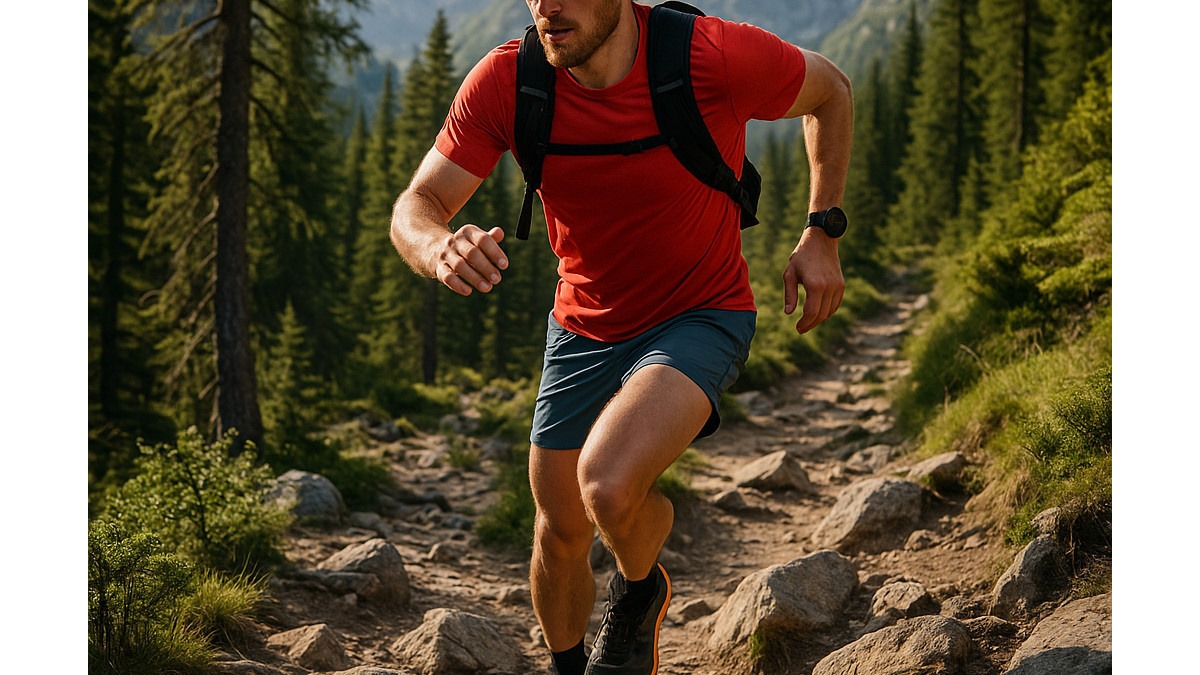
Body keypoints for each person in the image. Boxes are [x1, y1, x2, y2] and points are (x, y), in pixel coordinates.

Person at [389, 2, 852, 673]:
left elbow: (831, 89)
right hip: (582, 323)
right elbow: (417, 203)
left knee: (603, 484)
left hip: (701, 311)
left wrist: (822, 232)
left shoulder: (711, 55)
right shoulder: (511, 81)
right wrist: (437, 247)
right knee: (560, 529)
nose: (548, 7)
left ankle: (638, 586)